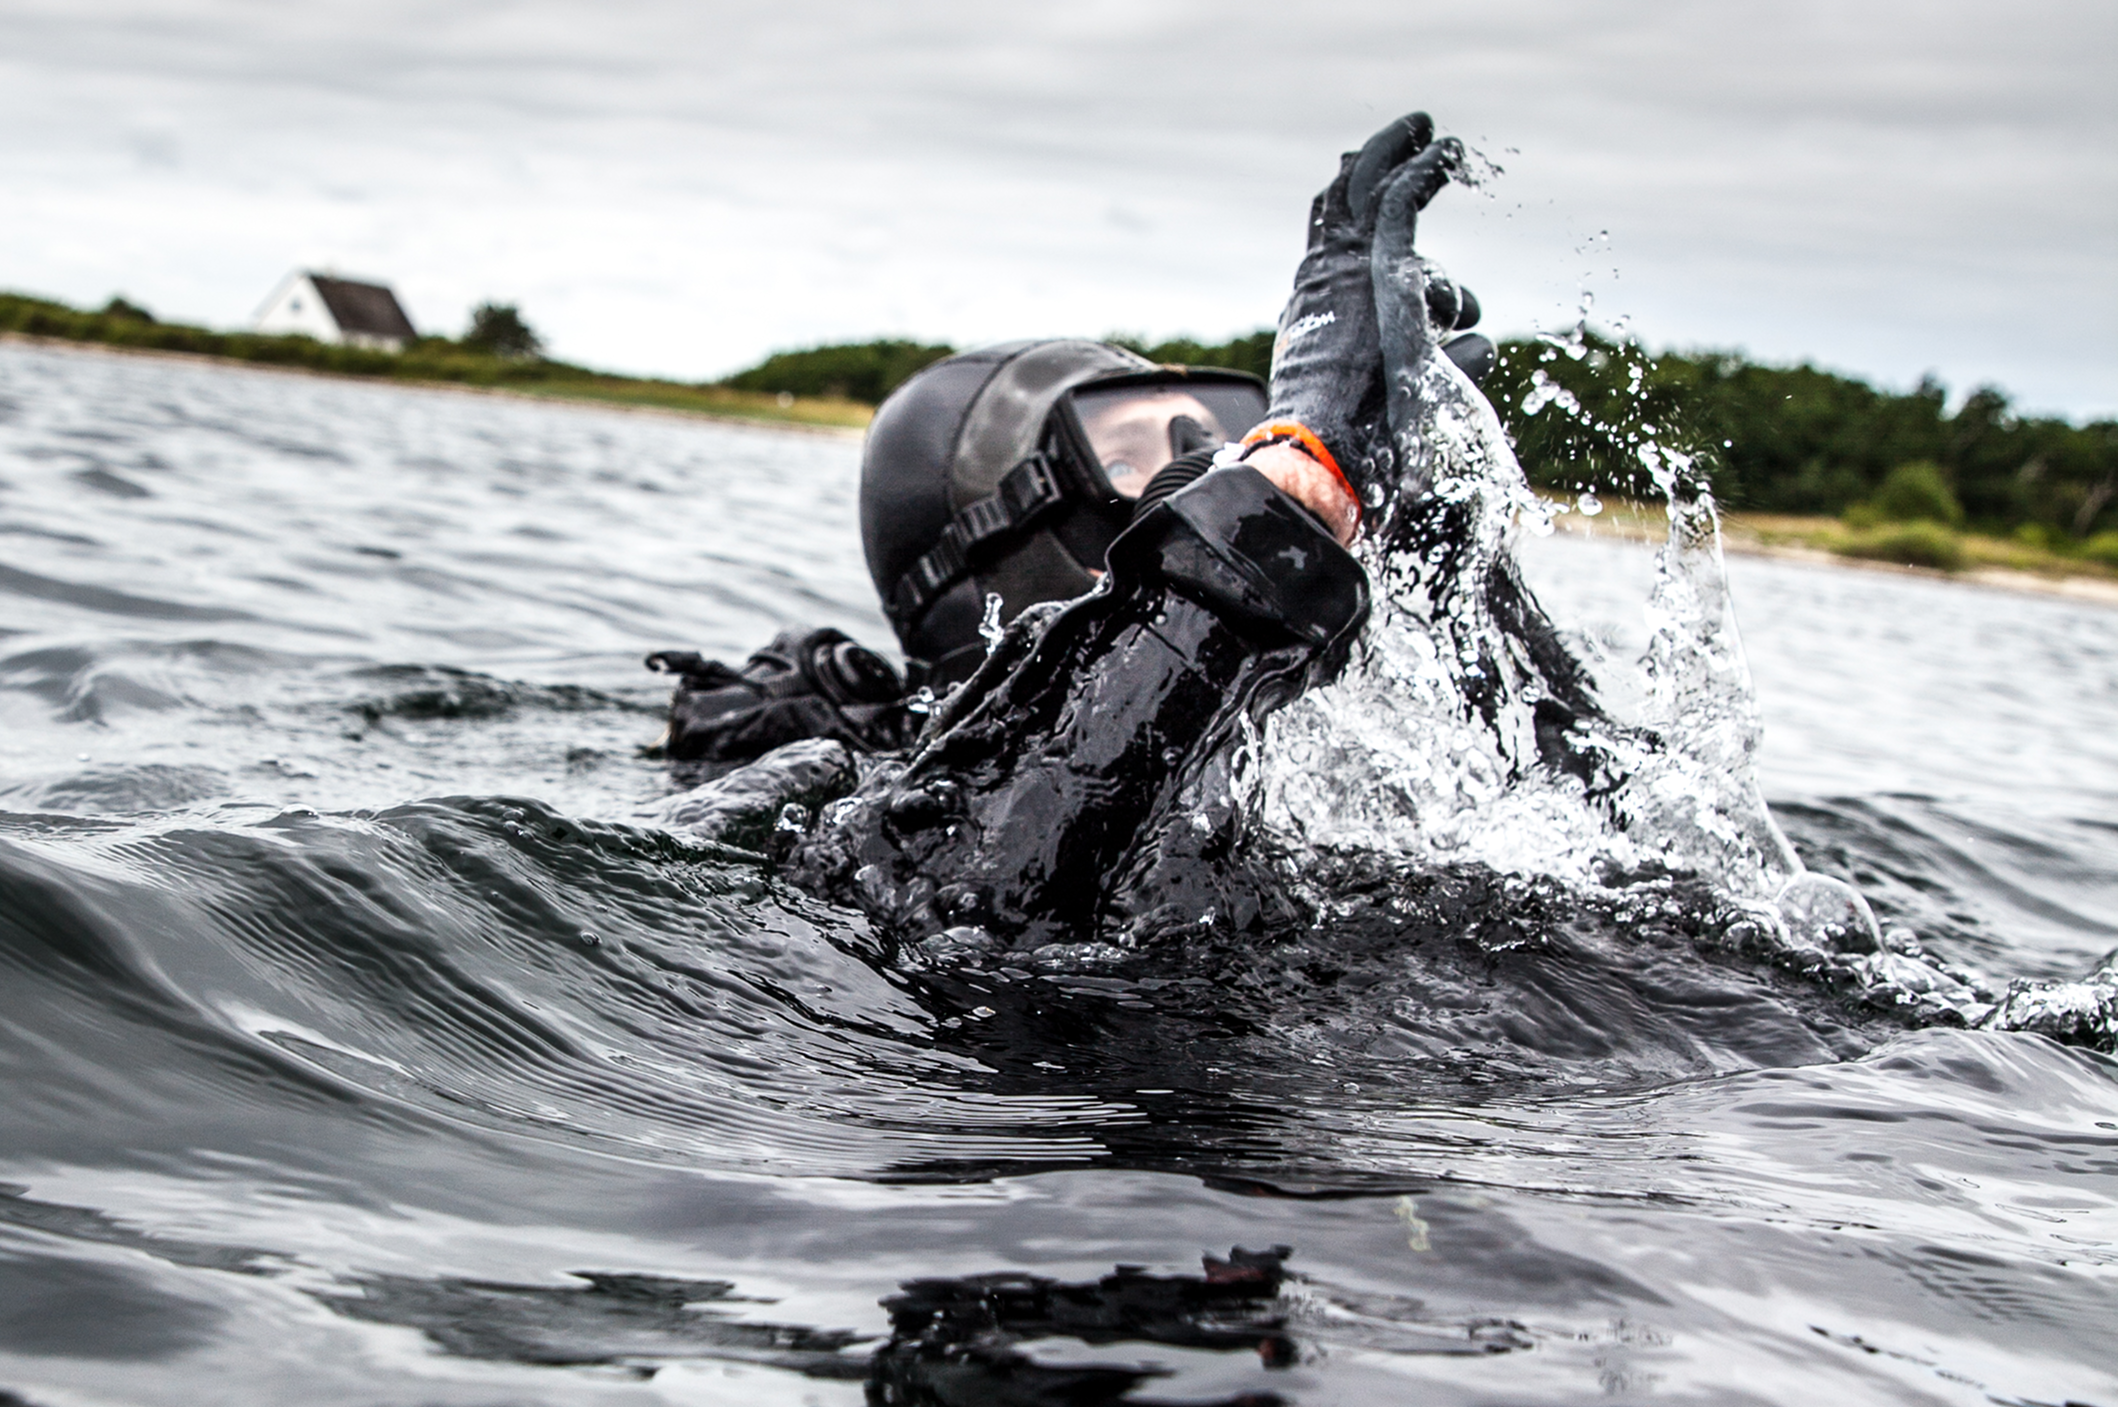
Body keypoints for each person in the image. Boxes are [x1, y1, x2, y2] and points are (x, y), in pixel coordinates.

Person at [650, 113, 1606, 945]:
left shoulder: (1293, 791)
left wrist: (1445, 563)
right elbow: (984, 921)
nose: (1215, 456)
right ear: (989, 537)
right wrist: (1286, 498)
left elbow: (1635, 853)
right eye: (1134, 449)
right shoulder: (848, 797)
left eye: (1228, 430)